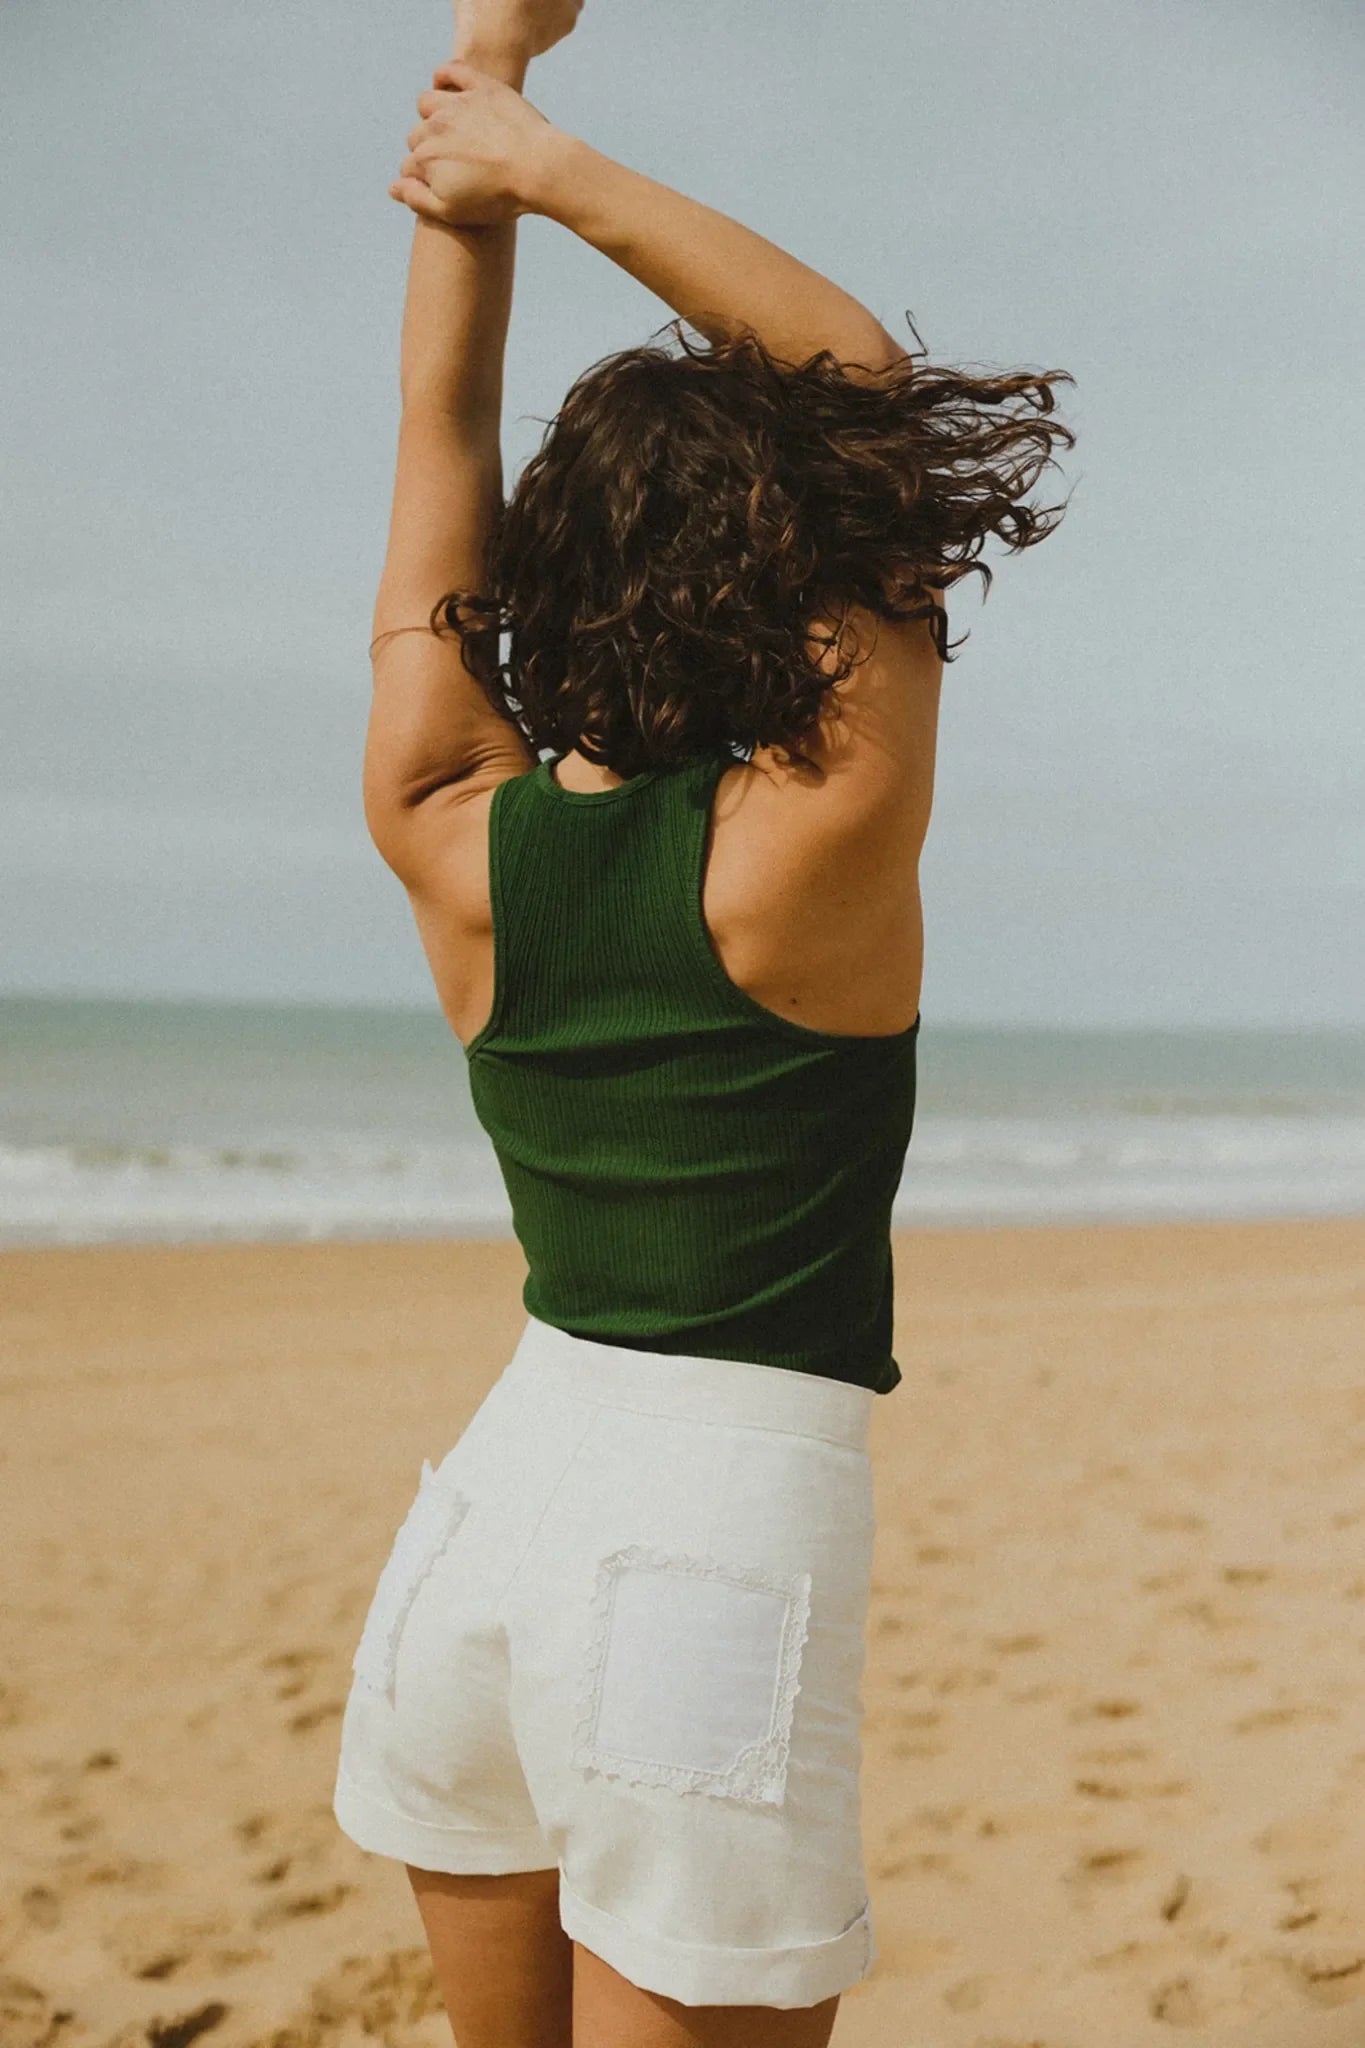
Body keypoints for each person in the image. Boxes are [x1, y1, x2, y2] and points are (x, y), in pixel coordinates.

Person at [332, 4, 1075, 2043]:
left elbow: (431, 447)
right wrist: (542, 160)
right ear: (780, 573)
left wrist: (478, 101)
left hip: (478, 1524)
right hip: (712, 1549)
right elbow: (859, 388)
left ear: (541, 583)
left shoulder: (443, 830)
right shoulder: (811, 840)